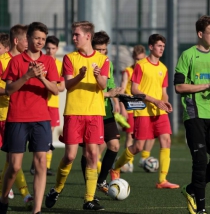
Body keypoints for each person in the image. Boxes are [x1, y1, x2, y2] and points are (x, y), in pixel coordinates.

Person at [45, 21, 109, 211]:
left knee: (92, 155)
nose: (73, 38)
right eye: (73, 34)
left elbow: (103, 85)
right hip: (74, 112)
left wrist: (97, 76)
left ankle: (89, 199)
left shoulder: (103, 59)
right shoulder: (69, 58)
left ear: (88, 36)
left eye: (76, 35)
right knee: (70, 156)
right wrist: (81, 76)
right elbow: (67, 85)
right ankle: (56, 189)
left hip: (95, 113)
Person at [0, 22, 59, 214]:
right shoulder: (15, 62)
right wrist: (27, 76)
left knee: (41, 162)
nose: (40, 42)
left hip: (41, 119)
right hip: (17, 118)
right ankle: (3, 199)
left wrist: (41, 77)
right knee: (15, 166)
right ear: (28, 39)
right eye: (36, 38)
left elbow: (56, 90)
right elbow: (8, 89)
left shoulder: (49, 62)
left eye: (43, 38)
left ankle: (37, 210)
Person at [110, 33, 179, 190]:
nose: (162, 49)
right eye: (159, 46)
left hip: (159, 111)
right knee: (138, 147)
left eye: (163, 46)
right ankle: (116, 167)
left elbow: (164, 91)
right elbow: (134, 89)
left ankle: (162, 180)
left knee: (166, 140)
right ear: (151, 47)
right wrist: (155, 101)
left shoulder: (164, 68)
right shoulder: (141, 65)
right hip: (143, 111)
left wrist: (165, 100)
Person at [174, 15, 210, 214]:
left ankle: (191, 189)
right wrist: (209, 84)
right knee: (200, 161)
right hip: (194, 114)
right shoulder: (187, 55)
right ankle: (201, 209)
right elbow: (179, 87)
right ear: (200, 34)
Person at [80, 30, 122, 195]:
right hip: (90, 111)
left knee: (114, 145)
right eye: (99, 49)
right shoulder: (85, 64)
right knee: (88, 152)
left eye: (105, 50)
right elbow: (86, 92)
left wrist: (116, 101)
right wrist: (108, 95)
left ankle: (101, 180)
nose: (102, 53)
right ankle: (88, 185)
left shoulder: (107, 64)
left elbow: (110, 85)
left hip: (106, 111)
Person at [0, 25, 35, 210]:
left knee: (12, 161)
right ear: (16, 41)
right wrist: (10, 90)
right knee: (11, 161)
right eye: (25, 40)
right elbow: (6, 88)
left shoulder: (27, 60)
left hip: (16, 117)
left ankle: (25, 194)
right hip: (3, 115)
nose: (28, 44)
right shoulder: (3, 61)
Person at [30, 35, 65, 176]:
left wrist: (53, 86)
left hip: (53, 104)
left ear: (57, 49)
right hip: (40, 102)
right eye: (48, 48)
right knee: (38, 133)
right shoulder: (40, 63)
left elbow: (62, 87)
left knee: (48, 134)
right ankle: (36, 162)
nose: (50, 51)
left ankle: (46, 165)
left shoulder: (59, 65)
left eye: (53, 48)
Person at [120, 45, 155, 172]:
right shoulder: (128, 71)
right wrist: (122, 107)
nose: (137, 62)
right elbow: (123, 90)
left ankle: (145, 158)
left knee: (150, 134)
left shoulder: (147, 70)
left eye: (140, 59)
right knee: (130, 135)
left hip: (145, 107)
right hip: (131, 107)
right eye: (136, 59)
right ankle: (129, 161)